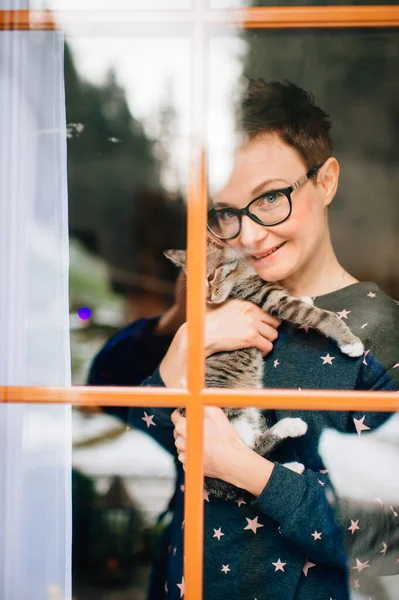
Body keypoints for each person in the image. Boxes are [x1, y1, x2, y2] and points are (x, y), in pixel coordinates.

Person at [89, 80, 399, 600]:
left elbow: (386, 538)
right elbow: (128, 453)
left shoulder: (382, 335)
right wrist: (180, 349)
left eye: (271, 198)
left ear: (326, 181)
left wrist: (246, 469)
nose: (250, 235)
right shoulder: (215, 310)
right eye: (228, 212)